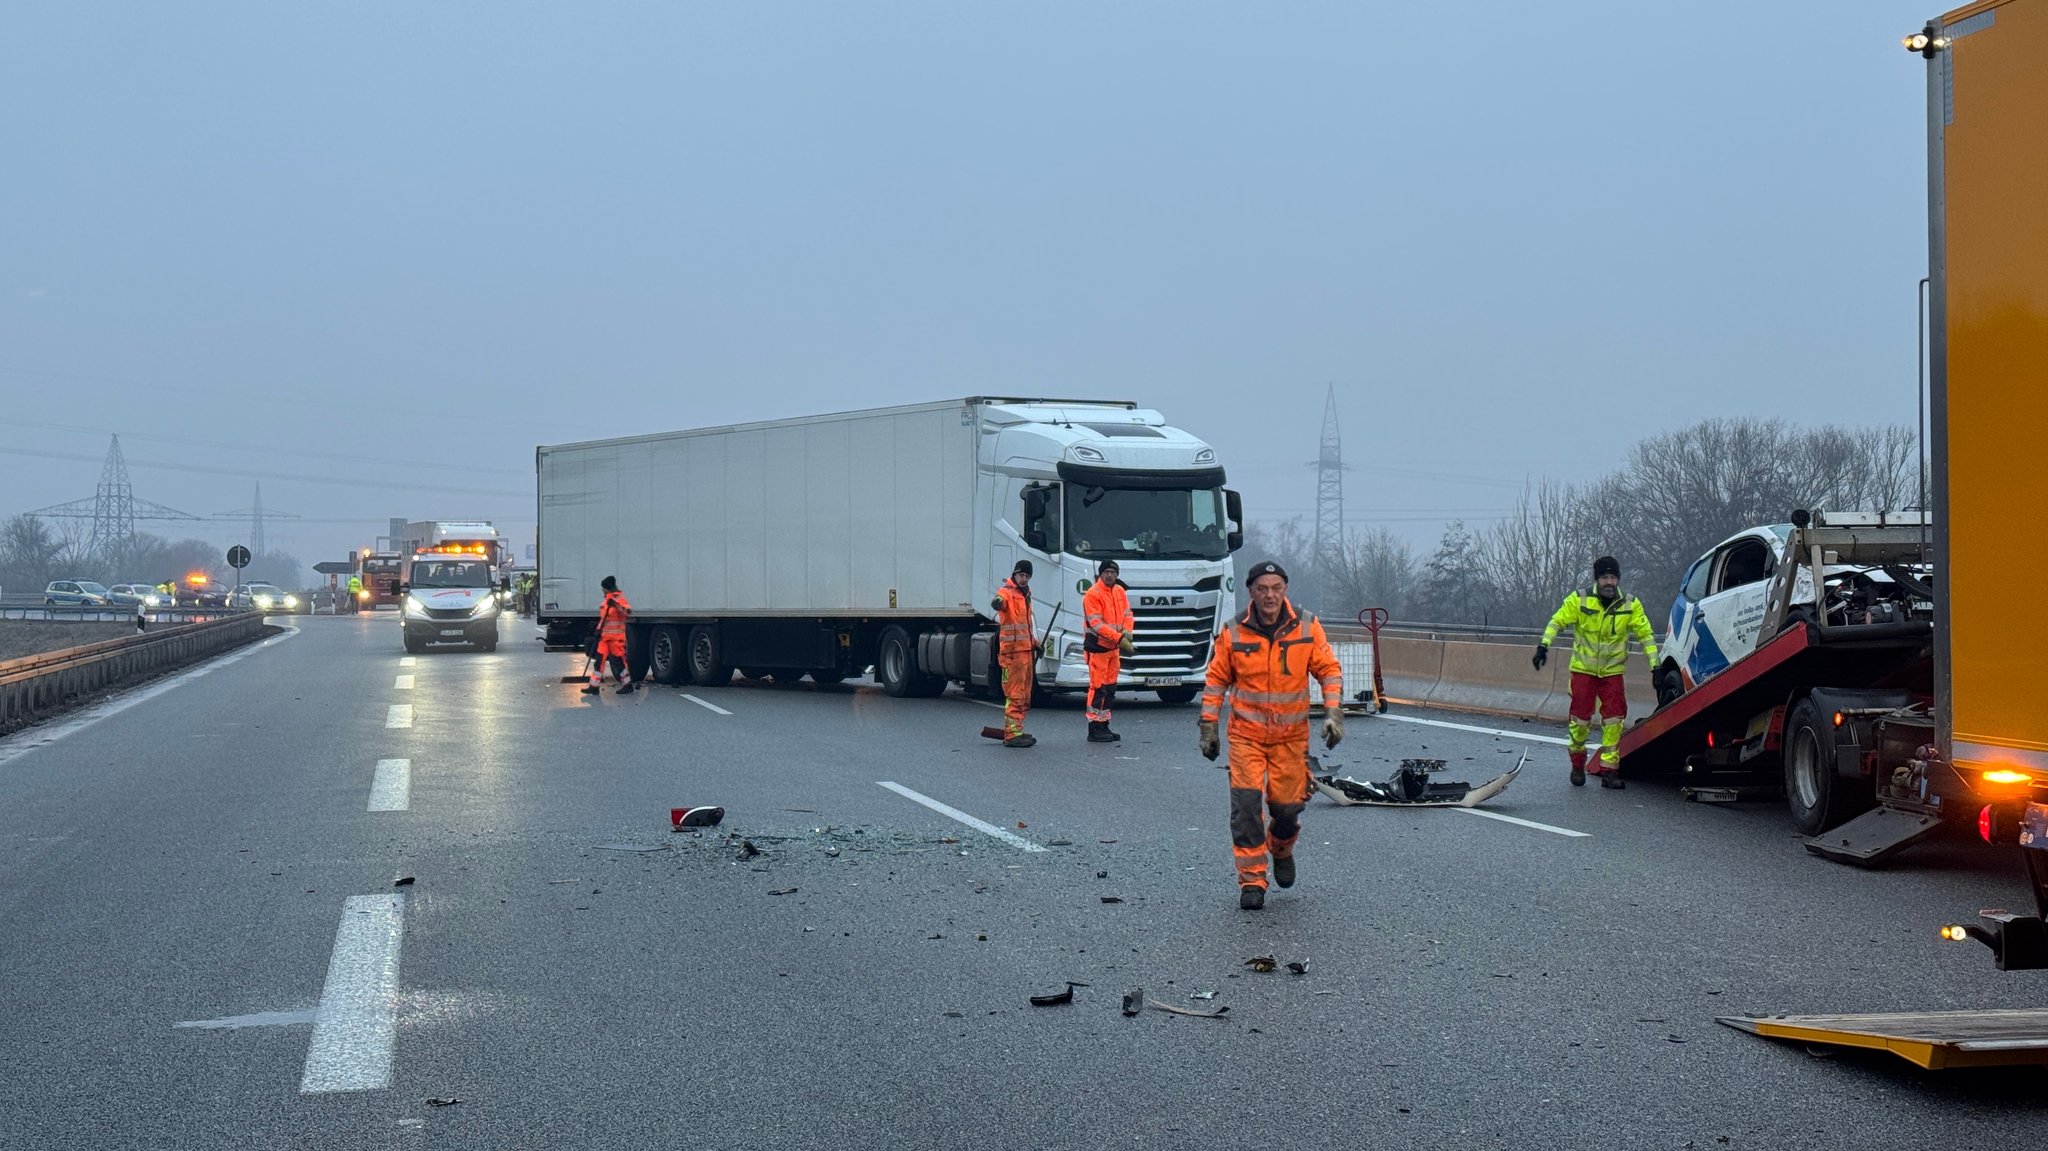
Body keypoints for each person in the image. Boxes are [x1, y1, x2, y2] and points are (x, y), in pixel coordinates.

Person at [1199, 561, 1342, 911]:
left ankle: (1281, 849)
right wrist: (1208, 726)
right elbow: (1216, 681)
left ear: (1285, 590)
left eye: (1276, 588)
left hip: (1290, 739)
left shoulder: (1306, 627)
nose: (1269, 595)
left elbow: (1328, 669)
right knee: (1246, 809)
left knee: (1287, 809)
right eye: (1262, 588)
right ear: (1251, 591)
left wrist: (1333, 711)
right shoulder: (1233, 633)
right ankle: (1252, 881)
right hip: (1246, 738)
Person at [1534, 555, 1659, 789]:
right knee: (1580, 722)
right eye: (1604, 577)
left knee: (1614, 721)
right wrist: (1544, 645)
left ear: (1618, 579)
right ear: (1597, 579)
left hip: (1612, 673)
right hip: (1583, 672)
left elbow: (1646, 636)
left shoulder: (1630, 604)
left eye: (1612, 577)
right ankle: (1578, 763)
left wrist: (1656, 666)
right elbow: (1557, 621)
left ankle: (1609, 771)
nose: (1609, 582)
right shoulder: (1580, 600)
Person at [1081, 559, 1135, 742]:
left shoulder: (1119, 591)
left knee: (1110, 688)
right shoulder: (1092, 594)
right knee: (1098, 688)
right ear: (1101, 574)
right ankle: (1094, 727)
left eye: (1113, 572)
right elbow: (1096, 624)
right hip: (1097, 648)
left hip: (1113, 649)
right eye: (1107, 572)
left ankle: (1104, 724)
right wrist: (1120, 638)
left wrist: (1127, 631)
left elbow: (1128, 614)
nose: (1110, 575)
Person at [990, 559, 1039, 747]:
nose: (1024, 579)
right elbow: (1000, 602)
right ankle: (1012, 735)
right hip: (1012, 654)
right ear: (1015, 575)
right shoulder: (1007, 592)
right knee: (1015, 694)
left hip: (1025, 651)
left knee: (1025, 695)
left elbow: (1025, 624)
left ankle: (1017, 729)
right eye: (1021, 575)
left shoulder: (1025, 594)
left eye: (1027, 576)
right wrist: (998, 603)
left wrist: (1034, 643)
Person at [585, 575, 635, 695]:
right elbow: (604, 619)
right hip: (604, 638)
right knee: (599, 662)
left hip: (616, 639)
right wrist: (597, 630)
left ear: (607, 588)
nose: (602, 591)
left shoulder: (619, 599)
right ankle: (594, 686)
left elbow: (627, 612)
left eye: (603, 588)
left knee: (619, 662)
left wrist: (616, 605)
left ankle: (628, 684)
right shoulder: (606, 601)